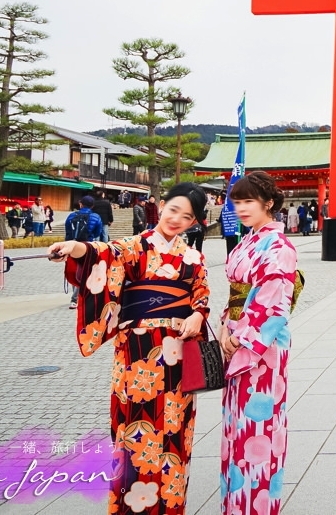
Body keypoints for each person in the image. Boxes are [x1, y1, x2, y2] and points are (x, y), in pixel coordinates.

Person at [48, 183, 210, 514]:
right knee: (138, 430)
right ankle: (131, 506)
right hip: (137, 354)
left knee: (176, 430)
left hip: (179, 352)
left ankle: (171, 504)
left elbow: (201, 294)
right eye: (173, 209)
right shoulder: (132, 247)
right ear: (161, 206)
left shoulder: (193, 256)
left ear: (194, 222)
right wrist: (75, 247)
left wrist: (196, 314)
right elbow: (102, 254)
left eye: (187, 216)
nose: (177, 219)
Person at [219, 172, 297, 512]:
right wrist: (225, 327)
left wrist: (241, 336)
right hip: (237, 337)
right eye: (237, 201)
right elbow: (236, 297)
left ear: (268, 203)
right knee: (237, 427)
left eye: (249, 200)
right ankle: (237, 502)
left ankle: (259, 505)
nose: (241, 208)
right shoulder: (247, 241)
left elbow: (274, 299)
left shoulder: (279, 247)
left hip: (261, 348)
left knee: (260, 427)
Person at [63, 196, 105, 310]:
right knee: (85, 271)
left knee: (73, 270)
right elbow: (98, 232)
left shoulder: (71, 215)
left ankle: (75, 297)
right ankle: (77, 298)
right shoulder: (96, 217)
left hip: (72, 246)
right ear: (92, 206)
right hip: (87, 247)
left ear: (80, 204)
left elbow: (67, 231)